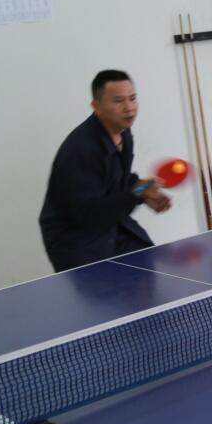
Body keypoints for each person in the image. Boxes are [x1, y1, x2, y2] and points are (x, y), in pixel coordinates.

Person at [39, 70, 171, 272]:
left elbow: (118, 180)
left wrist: (145, 192)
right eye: (118, 101)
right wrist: (138, 193)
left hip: (109, 225)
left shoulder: (123, 133)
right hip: (75, 239)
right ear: (96, 106)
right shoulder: (82, 150)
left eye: (132, 98)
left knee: (147, 266)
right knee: (107, 289)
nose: (129, 108)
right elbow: (88, 214)